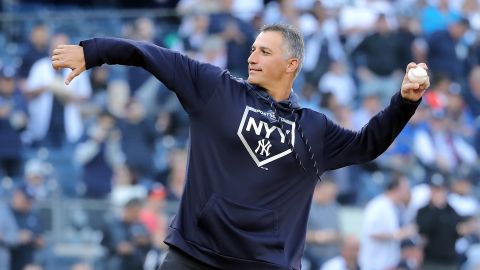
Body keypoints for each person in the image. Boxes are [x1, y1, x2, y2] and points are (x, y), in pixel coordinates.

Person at [52, 23, 429, 270]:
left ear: (292, 63)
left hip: (265, 264)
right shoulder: (216, 88)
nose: (251, 57)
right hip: (193, 256)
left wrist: (405, 101)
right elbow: (150, 55)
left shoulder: (312, 128)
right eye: (252, 49)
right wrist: (94, 51)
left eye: (265, 52)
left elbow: (367, 144)